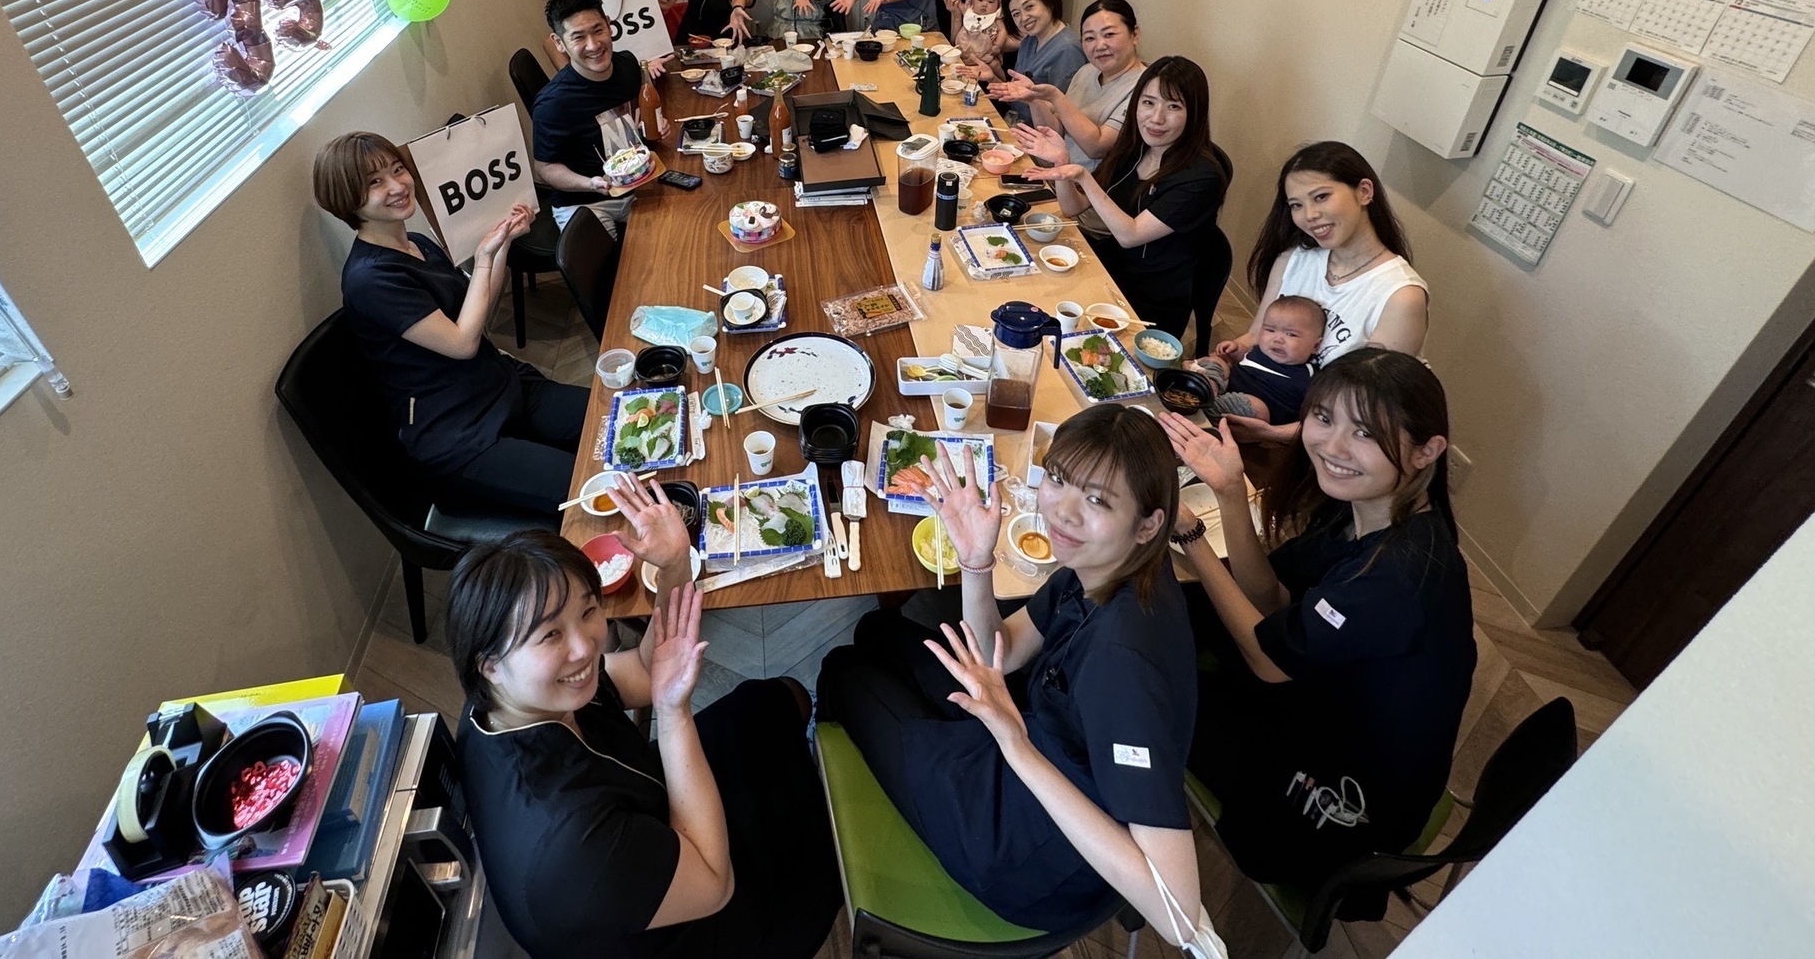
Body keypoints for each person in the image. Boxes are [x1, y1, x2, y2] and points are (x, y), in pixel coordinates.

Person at [818, 407, 1219, 951]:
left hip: (1022, 851)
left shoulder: (1123, 667)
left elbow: (1178, 917)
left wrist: (1016, 745)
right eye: (1058, 479)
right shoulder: (1107, 568)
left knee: (845, 671)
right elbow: (996, 655)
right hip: (1031, 738)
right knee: (878, 630)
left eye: (1098, 500)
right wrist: (975, 562)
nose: (1063, 512)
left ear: (1149, 523)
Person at [1157, 351, 1475, 892]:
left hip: (1338, 806)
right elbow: (1273, 597)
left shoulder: (1395, 577)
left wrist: (1191, 538)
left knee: (1147, 685)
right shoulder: (1367, 508)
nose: (1333, 446)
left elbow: (1269, 661)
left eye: (1365, 433)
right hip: (1320, 700)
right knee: (1170, 618)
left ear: (1428, 451)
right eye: (1324, 418)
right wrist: (1230, 490)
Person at [452, 521, 841, 959]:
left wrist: (674, 566)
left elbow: (642, 671)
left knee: (773, 700)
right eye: (550, 635)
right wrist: (673, 713)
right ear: (490, 665)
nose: (585, 648)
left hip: (651, 808)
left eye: (587, 611)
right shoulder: (570, 849)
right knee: (825, 856)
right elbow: (715, 884)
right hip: (698, 918)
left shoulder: (502, 700)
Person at [315, 132, 583, 516]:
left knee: (617, 420)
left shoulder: (418, 243)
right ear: (347, 199)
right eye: (375, 182)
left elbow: (477, 312)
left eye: (398, 169)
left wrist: (503, 242)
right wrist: (484, 258)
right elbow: (462, 343)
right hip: (461, 434)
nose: (397, 186)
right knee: (592, 487)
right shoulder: (370, 279)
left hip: (502, 386)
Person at [1216, 142, 1430, 446]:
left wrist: (1274, 435)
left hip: (1325, 447)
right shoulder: (1292, 260)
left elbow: (1364, 414)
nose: (1309, 215)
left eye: (1321, 197)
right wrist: (1222, 360)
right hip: (1249, 412)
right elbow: (1255, 336)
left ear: (1364, 192)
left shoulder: (1401, 297)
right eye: (1296, 205)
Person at [1023, 57, 1228, 340]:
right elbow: (1074, 207)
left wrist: (1083, 176)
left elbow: (1130, 235)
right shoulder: (1135, 147)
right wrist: (1062, 164)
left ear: (1195, 113)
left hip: (1149, 301)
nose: (1156, 118)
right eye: (1148, 103)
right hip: (1107, 270)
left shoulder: (1201, 178)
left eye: (1173, 107)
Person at [530, 0, 647, 233]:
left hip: (637, 187)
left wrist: (650, 125)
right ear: (559, 43)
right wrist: (590, 183)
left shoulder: (628, 65)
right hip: (585, 202)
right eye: (578, 37)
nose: (593, 45)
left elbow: (638, 116)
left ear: (609, 25)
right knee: (610, 259)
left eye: (598, 30)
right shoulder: (553, 103)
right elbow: (544, 168)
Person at [995, 0, 1146, 171]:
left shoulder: (1144, 88)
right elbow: (1056, 131)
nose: (1099, 45)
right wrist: (1033, 98)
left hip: (1089, 183)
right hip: (1057, 170)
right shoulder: (1087, 71)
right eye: (1089, 38)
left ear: (1135, 35)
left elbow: (1096, 147)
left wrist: (1056, 97)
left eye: (1109, 34)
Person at [1187, 294, 1324, 426]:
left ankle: (1206, 405)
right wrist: (1236, 349)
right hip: (1228, 388)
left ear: (1316, 345)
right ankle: (1208, 385)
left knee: (1257, 408)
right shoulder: (1261, 350)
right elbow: (1246, 357)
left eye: (1291, 334)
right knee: (1217, 361)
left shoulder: (1311, 376)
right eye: (1270, 330)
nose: (1277, 339)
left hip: (1254, 414)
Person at [995, 0, 1085, 126]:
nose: (1023, 18)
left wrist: (1031, 99)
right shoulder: (1029, 41)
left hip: (1039, 133)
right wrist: (992, 77)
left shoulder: (1068, 50)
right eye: (1016, 14)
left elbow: (1065, 111)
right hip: (1014, 122)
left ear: (1048, 0)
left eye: (1029, 7)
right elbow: (1016, 96)